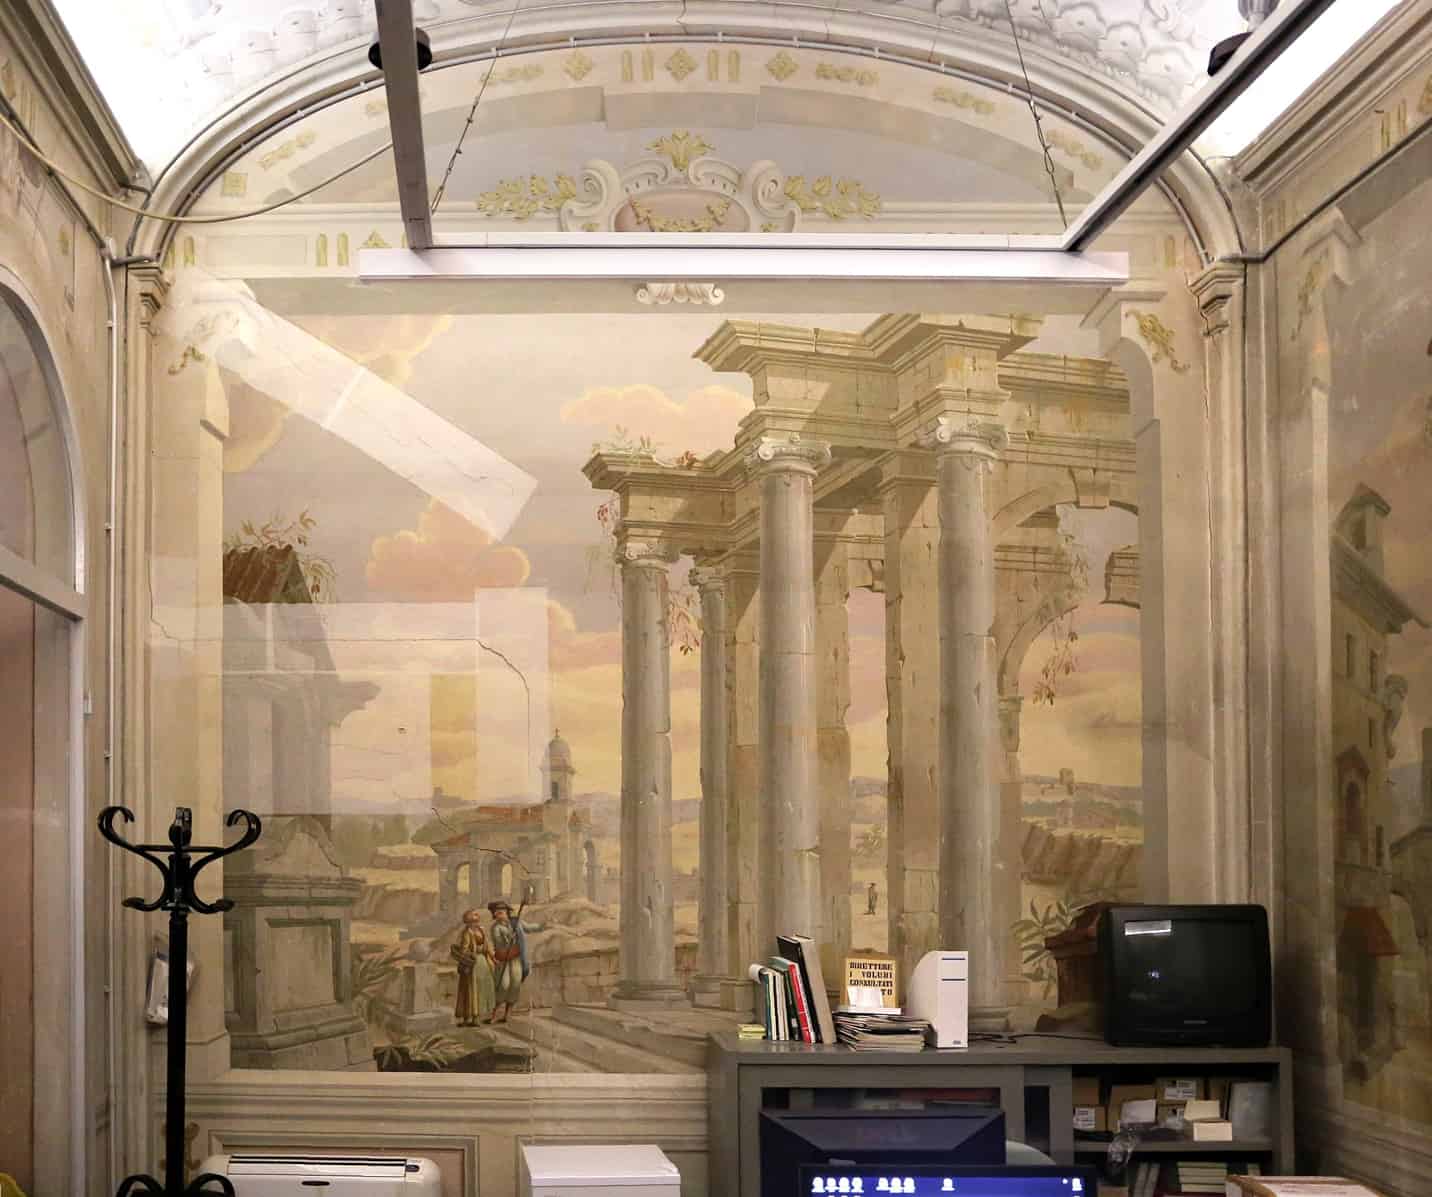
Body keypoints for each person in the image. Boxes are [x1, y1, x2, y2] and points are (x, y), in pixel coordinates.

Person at [488, 899, 543, 1024]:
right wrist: (509, 936)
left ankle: (507, 1014)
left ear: (507, 912)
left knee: (515, 985)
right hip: (504, 959)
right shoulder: (495, 928)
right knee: (503, 985)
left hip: (516, 958)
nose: (499, 913)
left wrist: (543, 926)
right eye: (497, 912)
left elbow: (529, 928)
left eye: (501, 911)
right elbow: (498, 943)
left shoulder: (516, 922)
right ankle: (495, 1014)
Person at [450, 908, 495, 1027]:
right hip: (472, 965)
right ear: (468, 921)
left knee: (481, 990)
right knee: (471, 990)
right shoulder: (467, 933)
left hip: (483, 963)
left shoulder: (481, 930)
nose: (475, 922)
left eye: (476, 920)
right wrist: (472, 954)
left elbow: (487, 946)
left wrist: (493, 957)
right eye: (473, 920)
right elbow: (464, 950)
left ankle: (476, 1017)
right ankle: (468, 1018)